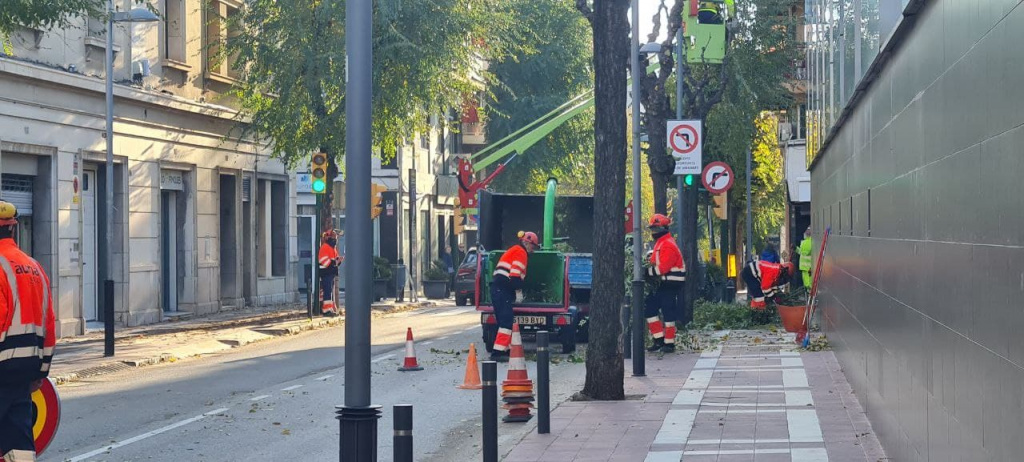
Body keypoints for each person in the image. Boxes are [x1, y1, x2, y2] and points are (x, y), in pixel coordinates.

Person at [0, 201, 55, 462]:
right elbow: (49, 325)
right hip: (24, 373)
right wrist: (41, 372)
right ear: (14, 229)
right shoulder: (34, 267)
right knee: (19, 442)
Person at [489, 230, 539, 362]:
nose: (533, 250)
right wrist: (519, 292)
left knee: (503, 321)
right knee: (506, 321)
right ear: (527, 243)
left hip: (498, 289)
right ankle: (497, 353)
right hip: (502, 290)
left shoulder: (514, 250)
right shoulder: (521, 253)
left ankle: (507, 349)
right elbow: (515, 277)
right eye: (533, 246)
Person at [643, 214, 687, 353]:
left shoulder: (667, 244)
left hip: (670, 283)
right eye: (652, 229)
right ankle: (659, 340)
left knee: (668, 311)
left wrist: (646, 273)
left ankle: (669, 343)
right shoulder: (661, 242)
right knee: (650, 309)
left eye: (656, 229)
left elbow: (663, 268)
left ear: (663, 228)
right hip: (664, 283)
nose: (653, 232)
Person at [318, 230, 343, 316]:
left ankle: (330, 309)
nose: (336, 239)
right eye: (335, 237)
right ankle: (326, 310)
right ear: (331, 238)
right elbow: (324, 261)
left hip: (330, 273)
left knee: (329, 292)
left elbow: (335, 260)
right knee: (327, 292)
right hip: (326, 273)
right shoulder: (325, 247)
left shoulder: (333, 248)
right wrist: (335, 262)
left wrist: (339, 261)